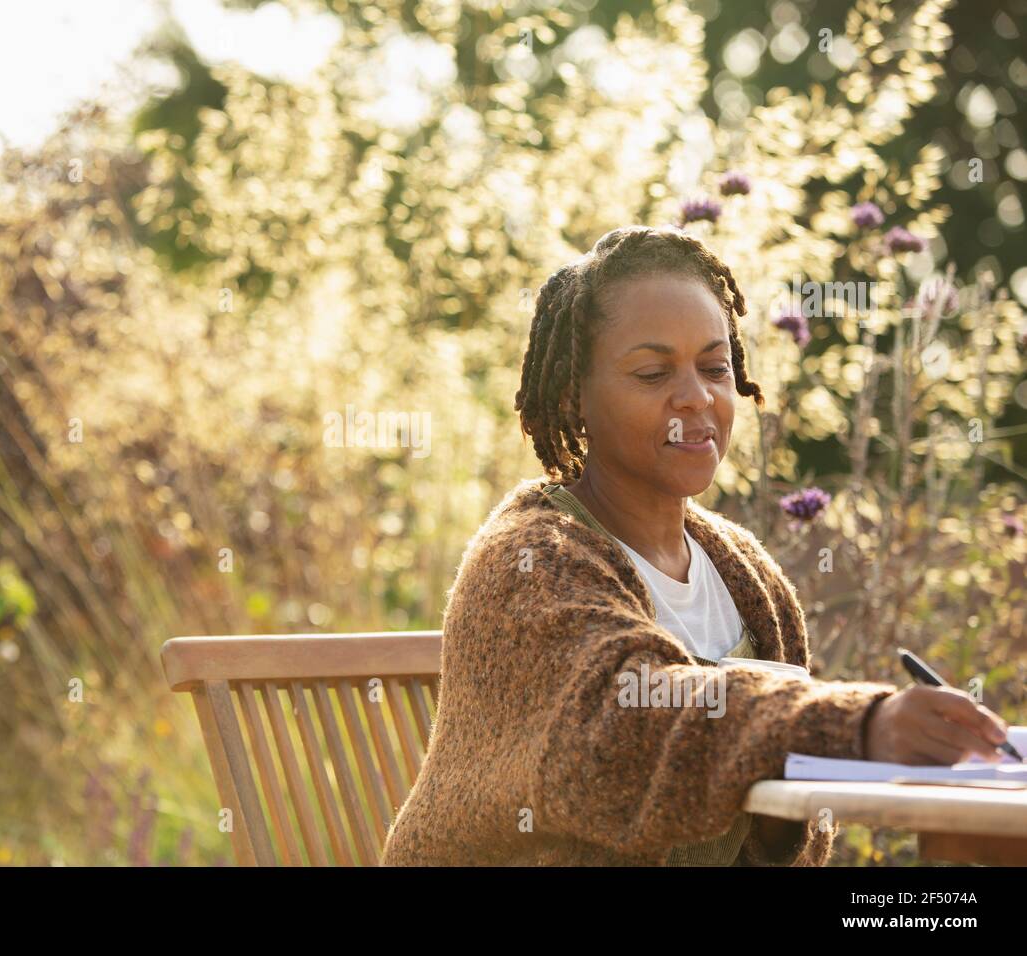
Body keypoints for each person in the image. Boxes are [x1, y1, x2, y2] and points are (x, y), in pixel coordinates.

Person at [379, 224, 1010, 866]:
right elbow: (625, 729)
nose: (697, 397)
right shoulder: (532, 561)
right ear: (576, 394)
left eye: (716, 367)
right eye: (653, 373)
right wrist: (858, 725)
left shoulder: (746, 577)